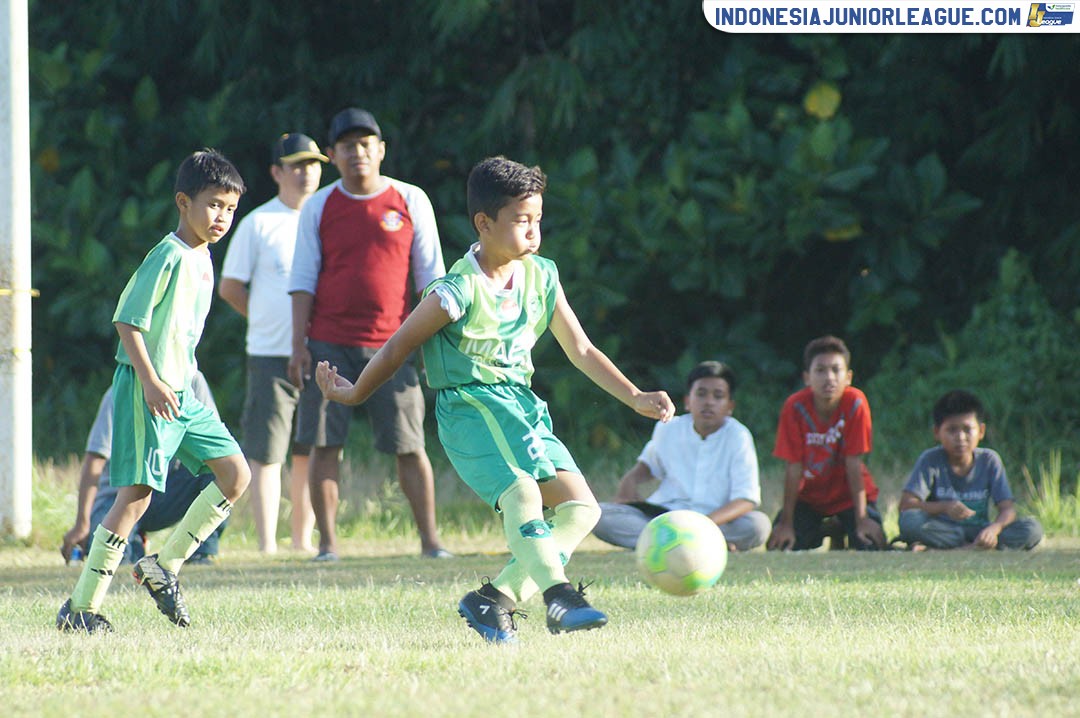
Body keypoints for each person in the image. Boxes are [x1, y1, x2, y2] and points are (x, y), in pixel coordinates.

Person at [316, 156, 676, 643]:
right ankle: (559, 597)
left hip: (521, 408)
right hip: (470, 408)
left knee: (583, 509)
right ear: (484, 224)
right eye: (522, 220)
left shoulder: (542, 276)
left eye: (538, 220)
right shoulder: (456, 291)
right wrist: (355, 391)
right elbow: (399, 345)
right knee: (522, 494)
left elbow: (583, 349)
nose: (533, 231)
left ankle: (493, 601)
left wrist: (634, 396)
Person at [56, 149, 252, 633]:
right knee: (136, 499)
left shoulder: (205, 258)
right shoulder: (167, 254)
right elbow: (127, 320)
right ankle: (80, 608)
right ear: (183, 202)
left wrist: (175, 383)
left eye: (229, 208)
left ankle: (165, 565)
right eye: (212, 205)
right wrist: (149, 381)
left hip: (183, 394)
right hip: (150, 391)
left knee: (234, 474)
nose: (221, 217)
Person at [288, 108, 449, 561]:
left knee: (410, 445)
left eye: (365, 144)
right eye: (346, 146)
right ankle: (327, 546)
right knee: (324, 443)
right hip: (328, 345)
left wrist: (429, 340)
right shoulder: (319, 205)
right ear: (333, 155)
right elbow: (303, 279)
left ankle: (432, 543)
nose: (357, 153)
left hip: (394, 345)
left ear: (380, 150)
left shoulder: (410, 199)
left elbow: (431, 279)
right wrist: (297, 344)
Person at [219, 133, 327, 554]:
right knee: (266, 453)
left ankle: (302, 541)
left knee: (309, 451)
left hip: (321, 353)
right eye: (297, 165)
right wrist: (263, 319)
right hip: (270, 354)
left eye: (314, 164)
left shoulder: (326, 216)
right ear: (276, 172)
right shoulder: (258, 222)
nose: (306, 173)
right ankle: (268, 545)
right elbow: (230, 287)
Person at [592, 361, 771, 552]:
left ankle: (664, 544)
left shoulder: (738, 436)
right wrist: (628, 483)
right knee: (599, 515)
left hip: (715, 521)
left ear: (730, 406)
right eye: (701, 394)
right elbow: (647, 467)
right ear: (687, 401)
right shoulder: (668, 427)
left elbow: (746, 499)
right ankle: (701, 546)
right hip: (666, 516)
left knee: (758, 526)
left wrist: (702, 526)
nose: (709, 402)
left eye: (718, 396)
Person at [61, 372, 227, 566]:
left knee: (220, 468)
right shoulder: (121, 389)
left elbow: (214, 445)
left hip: (167, 489)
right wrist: (82, 523)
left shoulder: (192, 378)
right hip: (117, 496)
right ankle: (133, 544)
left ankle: (201, 552)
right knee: (115, 561)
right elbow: (95, 459)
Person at [767, 335, 886, 551]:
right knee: (781, 546)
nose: (829, 377)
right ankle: (828, 529)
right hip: (810, 496)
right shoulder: (795, 407)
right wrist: (785, 523)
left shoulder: (855, 403)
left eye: (836, 370)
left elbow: (853, 463)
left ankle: (846, 524)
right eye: (820, 370)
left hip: (849, 496)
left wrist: (861, 520)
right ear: (807, 377)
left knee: (871, 543)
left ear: (848, 377)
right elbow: (793, 467)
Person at [897, 390, 1043, 551]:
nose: (960, 437)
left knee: (1032, 528)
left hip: (979, 531)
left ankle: (961, 547)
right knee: (909, 521)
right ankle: (970, 547)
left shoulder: (989, 460)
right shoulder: (930, 459)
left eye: (967, 429)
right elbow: (906, 505)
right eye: (952, 430)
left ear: (981, 431)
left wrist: (993, 529)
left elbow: (1007, 508)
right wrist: (944, 507)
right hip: (943, 530)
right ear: (937, 432)